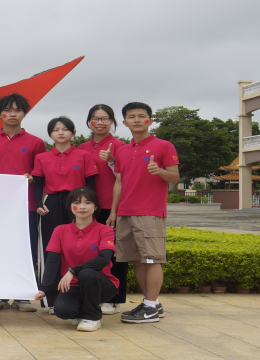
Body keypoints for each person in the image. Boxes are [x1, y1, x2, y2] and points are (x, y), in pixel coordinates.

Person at [107, 102, 180, 324]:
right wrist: (114, 211)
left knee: (152, 259)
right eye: (132, 116)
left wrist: (160, 171)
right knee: (137, 260)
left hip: (150, 211)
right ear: (124, 122)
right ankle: (152, 304)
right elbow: (119, 182)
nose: (137, 120)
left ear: (150, 120)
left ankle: (150, 306)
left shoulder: (164, 146)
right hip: (125, 212)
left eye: (142, 116)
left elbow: (175, 177)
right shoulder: (122, 150)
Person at [0, 93, 47, 313]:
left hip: (26, 205)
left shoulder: (36, 143)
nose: (13, 114)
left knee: (25, 249)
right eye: (7, 110)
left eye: (18, 110)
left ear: (24, 113)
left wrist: (32, 178)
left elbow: (42, 174)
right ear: (0, 114)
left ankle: (22, 295)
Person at [33, 187, 117, 332]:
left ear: (95, 207)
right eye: (77, 203)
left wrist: (74, 270)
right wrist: (44, 288)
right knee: (62, 310)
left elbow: (104, 259)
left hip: (101, 285)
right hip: (73, 285)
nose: (82, 207)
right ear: (71, 206)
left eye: (88, 203)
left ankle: (92, 317)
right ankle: (82, 312)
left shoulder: (105, 230)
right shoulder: (60, 230)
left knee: (87, 273)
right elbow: (52, 261)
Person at [31, 116, 98, 278]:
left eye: (65, 129)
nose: (60, 133)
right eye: (56, 130)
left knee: (78, 243)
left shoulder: (84, 155)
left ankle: (78, 284)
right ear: (50, 134)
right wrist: (39, 204)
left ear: (73, 133)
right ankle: (49, 287)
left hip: (77, 203)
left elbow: (90, 185)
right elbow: (38, 185)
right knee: (50, 243)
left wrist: (90, 206)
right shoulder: (41, 157)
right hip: (51, 203)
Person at [78, 104, 130, 315]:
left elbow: (126, 177)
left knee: (115, 253)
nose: (99, 123)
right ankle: (89, 296)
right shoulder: (81, 148)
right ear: (89, 122)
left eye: (105, 118)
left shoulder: (120, 146)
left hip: (111, 207)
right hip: (86, 208)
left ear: (112, 122)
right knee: (88, 251)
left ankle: (114, 299)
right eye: (95, 118)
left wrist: (112, 161)